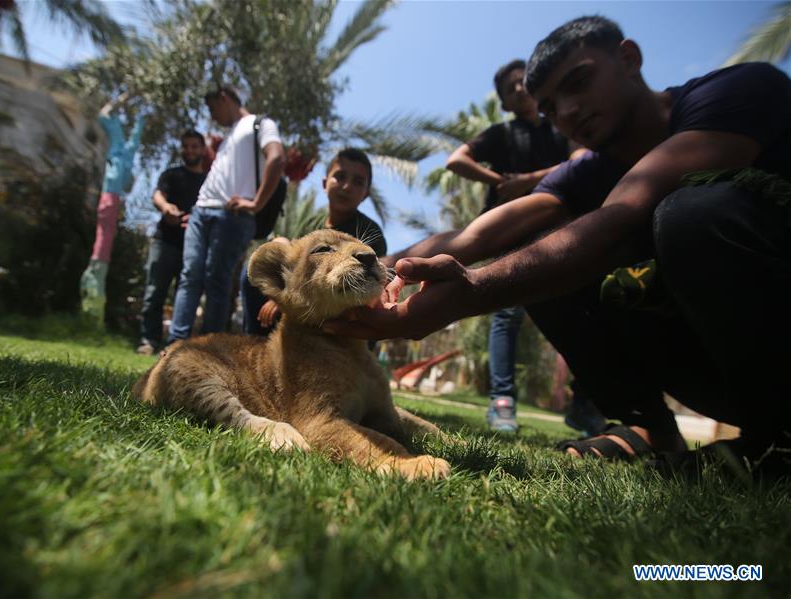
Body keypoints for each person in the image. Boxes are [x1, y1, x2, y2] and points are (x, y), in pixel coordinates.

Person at [326, 16, 791, 478]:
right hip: (709, 368)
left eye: (579, 83)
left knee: (689, 215)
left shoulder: (736, 91)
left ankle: (777, 438)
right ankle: (647, 426)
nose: (566, 112)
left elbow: (619, 221)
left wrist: (470, 292)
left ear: (628, 59)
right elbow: (477, 236)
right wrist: (374, 269)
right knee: (538, 253)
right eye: (549, 107)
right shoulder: (589, 168)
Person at [443, 58, 581, 432]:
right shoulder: (502, 134)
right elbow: (456, 160)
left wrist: (530, 180)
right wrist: (500, 182)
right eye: (510, 88)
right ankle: (501, 402)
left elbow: (581, 159)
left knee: (578, 308)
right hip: (510, 233)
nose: (519, 89)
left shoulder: (560, 126)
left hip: (559, 228)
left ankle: (584, 401)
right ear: (504, 101)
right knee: (507, 313)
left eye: (523, 82)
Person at [167, 86, 286, 342]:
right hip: (201, 212)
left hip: (232, 216)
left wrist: (255, 203)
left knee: (216, 281)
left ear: (224, 98)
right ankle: (174, 345)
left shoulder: (260, 124)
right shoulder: (228, 137)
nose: (211, 115)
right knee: (189, 276)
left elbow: (276, 158)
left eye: (212, 108)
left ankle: (206, 349)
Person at [241, 148, 387, 335]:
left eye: (358, 182)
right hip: (306, 307)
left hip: (346, 316)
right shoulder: (311, 223)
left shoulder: (370, 230)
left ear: (366, 194)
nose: (347, 186)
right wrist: (280, 295)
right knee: (253, 270)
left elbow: (372, 281)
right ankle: (254, 340)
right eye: (340, 177)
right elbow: (292, 263)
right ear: (325, 184)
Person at [136, 131, 208, 356]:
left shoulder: (209, 181)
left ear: (202, 149)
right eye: (186, 146)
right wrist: (167, 209)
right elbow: (158, 196)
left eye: (194, 146)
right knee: (154, 292)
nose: (190, 150)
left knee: (184, 296)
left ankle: (174, 345)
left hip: (193, 247)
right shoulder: (172, 175)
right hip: (164, 241)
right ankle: (148, 341)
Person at [80, 95, 146, 321]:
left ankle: (93, 307)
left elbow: (136, 135)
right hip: (109, 197)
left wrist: (142, 115)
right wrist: (125, 99)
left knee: (106, 233)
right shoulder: (118, 148)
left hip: (112, 198)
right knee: (105, 233)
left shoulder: (124, 151)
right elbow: (104, 115)